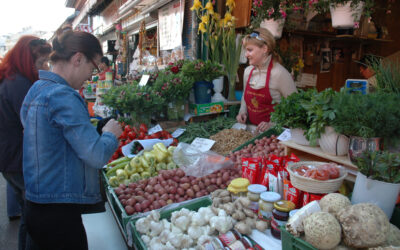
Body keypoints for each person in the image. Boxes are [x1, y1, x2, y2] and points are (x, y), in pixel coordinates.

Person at [20, 28, 122, 250]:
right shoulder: (63, 95)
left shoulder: (37, 89)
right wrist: (110, 135)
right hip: (59, 211)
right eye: (92, 67)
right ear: (78, 59)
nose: (91, 75)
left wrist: (93, 130)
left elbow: (47, 134)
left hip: (36, 204)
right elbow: (96, 156)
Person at [0, 35, 52, 250]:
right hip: (18, 159)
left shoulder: (11, 78)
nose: (45, 67)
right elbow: (33, 124)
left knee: (28, 215)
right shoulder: (18, 84)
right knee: (34, 217)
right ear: (26, 59)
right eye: (41, 63)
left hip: (10, 158)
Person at [236, 28, 297, 132]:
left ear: (264, 49)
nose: (246, 55)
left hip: (274, 136)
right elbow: (244, 96)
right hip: (252, 131)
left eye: (250, 50)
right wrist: (242, 111)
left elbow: (295, 106)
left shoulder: (279, 73)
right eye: (246, 50)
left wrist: (273, 124)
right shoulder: (247, 72)